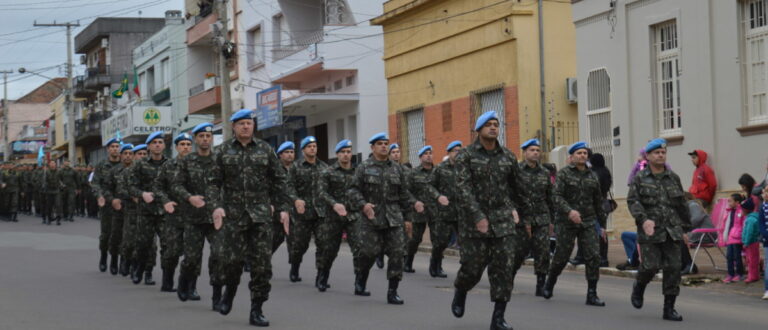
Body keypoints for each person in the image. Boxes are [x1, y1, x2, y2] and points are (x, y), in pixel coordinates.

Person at [207, 109, 297, 326]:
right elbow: (212, 183)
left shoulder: (265, 150)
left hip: (261, 217)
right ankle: (229, 292)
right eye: (241, 124)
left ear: (253, 126)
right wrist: (216, 206)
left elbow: (279, 182)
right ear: (234, 127)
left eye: (249, 123)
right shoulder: (222, 151)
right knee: (231, 262)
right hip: (234, 217)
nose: (246, 127)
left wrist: (283, 208)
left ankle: (256, 308)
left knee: (262, 266)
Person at [450, 111, 525, 330]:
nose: (493, 128)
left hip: (503, 222)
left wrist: (520, 212)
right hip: (474, 225)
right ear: (479, 129)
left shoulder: (508, 157)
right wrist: (478, 216)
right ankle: (461, 289)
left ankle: (498, 318)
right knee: (472, 269)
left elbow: (518, 188)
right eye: (488, 125)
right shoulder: (466, 156)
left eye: (496, 124)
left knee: (503, 270)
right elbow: (462, 188)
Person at [348, 132, 419, 304]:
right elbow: (352, 190)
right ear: (373, 147)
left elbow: (404, 195)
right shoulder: (363, 167)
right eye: (380, 143)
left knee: (397, 254)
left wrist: (408, 219)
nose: (384, 146)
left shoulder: (397, 169)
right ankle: (361, 279)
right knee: (368, 253)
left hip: (394, 219)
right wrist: (363, 204)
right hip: (371, 219)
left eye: (386, 143)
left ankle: (392, 291)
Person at [627, 138, 690, 321]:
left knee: (674, 268)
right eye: (657, 153)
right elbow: (633, 201)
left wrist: (685, 229)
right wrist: (643, 219)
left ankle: (669, 308)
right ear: (648, 156)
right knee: (650, 266)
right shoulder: (640, 178)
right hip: (650, 230)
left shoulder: (673, 177)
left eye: (663, 152)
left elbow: (681, 205)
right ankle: (639, 286)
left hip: (672, 230)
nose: (660, 155)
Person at [542, 141, 606, 307]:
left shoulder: (592, 175)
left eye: (585, 153)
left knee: (593, 256)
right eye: (579, 153)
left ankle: (592, 293)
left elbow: (598, 201)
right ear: (571, 157)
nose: (583, 156)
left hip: (588, 221)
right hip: (566, 222)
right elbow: (556, 197)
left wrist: (603, 225)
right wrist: (569, 211)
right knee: (561, 256)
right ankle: (550, 282)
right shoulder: (564, 174)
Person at [172, 123, 222, 308]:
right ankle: (186, 281)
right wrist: (189, 197)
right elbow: (176, 185)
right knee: (192, 258)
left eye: (208, 136)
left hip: (215, 218)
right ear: (195, 139)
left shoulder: (219, 160)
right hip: (193, 217)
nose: (205, 139)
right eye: (201, 136)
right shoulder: (187, 161)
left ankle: (217, 295)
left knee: (219, 256)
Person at [315, 139, 361, 291]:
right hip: (333, 217)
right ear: (337, 154)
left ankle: (359, 283)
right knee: (329, 250)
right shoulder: (328, 172)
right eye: (343, 152)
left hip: (353, 216)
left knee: (360, 249)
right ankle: (323, 276)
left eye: (348, 152)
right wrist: (334, 204)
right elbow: (321, 192)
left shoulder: (357, 172)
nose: (346, 155)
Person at [512, 138, 554, 296]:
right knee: (518, 252)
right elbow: (510, 194)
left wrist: (552, 220)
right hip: (521, 219)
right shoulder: (516, 171)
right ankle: (508, 280)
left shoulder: (544, 172)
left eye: (537, 150)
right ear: (524, 153)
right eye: (532, 150)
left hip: (541, 218)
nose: (535, 153)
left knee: (542, 252)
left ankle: (540, 285)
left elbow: (550, 197)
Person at [126, 132, 169, 286]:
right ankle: (141, 269)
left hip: (164, 212)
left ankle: (167, 279)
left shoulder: (170, 164)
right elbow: (131, 186)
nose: (158, 145)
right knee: (145, 244)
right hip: (146, 211)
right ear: (149, 146)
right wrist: (142, 194)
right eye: (154, 142)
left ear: (164, 145)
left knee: (168, 245)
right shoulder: (140, 164)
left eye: (160, 142)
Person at [153, 133, 194, 293]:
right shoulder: (168, 166)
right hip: (173, 215)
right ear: (176, 147)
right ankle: (167, 280)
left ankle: (191, 286)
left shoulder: (198, 165)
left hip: (194, 216)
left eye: (188, 144)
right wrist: (165, 201)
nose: (185, 147)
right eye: (182, 144)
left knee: (193, 253)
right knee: (172, 251)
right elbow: (158, 187)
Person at [287, 136, 328, 284]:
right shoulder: (295, 167)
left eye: (314, 146)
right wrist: (296, 199)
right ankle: (295, 268)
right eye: (309, 146)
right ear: (303, 150)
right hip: (302, 213)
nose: (313, 148)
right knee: (299, 245)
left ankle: (321, 276)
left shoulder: (324, 167)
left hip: (321, 212)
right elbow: (289, 187)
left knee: (323, 244)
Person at [405, 145, 447, 276]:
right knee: (415, 239)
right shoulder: (414, 173)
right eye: (425, 154)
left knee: (438, 240)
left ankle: (437, 266)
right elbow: (406, 192)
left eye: (430, 153)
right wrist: (415, 202)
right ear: (420, 157)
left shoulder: (438, 172)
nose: (429, 155)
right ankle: (408, 261)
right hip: (419, 211)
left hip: (436, 211)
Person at [431, 140, 463, 278]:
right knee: (441, 242)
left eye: (460, 151)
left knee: (466, 241)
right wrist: (438, 196)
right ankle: (435, 265)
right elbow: (429, 186)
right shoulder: (440, 168)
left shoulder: (464, 168)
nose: (458, 153)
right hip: (444, 211)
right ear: (449, 153)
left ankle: (466, 270)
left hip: (461, 211)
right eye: (455, 151)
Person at [91, 137, 122, 272]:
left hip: (121, 204)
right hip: (107, 204)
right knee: (106, 234)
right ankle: (103, 256)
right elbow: (95, 183)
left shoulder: (124, 164)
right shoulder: (101, 165)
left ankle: (115, 260)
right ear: (108, 149)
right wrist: (99, 196)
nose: (115, 148)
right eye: (112, 146)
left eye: (117, 146)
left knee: (119, 234)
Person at [103, 144, 135, 275]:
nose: (128, 156)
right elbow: (106, 189)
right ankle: (114, 260)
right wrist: (112, 200)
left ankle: (125, 261)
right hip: (118, 209)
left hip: (133, 209)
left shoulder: (137, 170)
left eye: (130, 153)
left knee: (129, 238)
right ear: (121, 155)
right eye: (125, 153)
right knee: (116, 236)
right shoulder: (114, 171)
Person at [272, 141, 295, 255]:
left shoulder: (297, 169)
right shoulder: (274, 169)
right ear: (280, 154)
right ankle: (254, 259)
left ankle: (294, 270)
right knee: (276, 237)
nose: (290, 154)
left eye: (292, 152)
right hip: (277, 209)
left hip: (293, 210)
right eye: (286, 152)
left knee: (294, 240)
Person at [590, 153, 612, 267]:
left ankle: (598, 257)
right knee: (603, 230)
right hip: (605, 204)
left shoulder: (592, 173)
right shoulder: (606, 172)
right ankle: (604, 257)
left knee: (595, 231)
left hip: (595, 205)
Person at [720, 194, 746, 283]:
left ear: (737, 202)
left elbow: (743, 224)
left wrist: (742, 235)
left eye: (730, 201)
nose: (728, 203)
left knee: (737, 256)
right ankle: (730, 274)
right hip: (730, 237)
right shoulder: (729, 211)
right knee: (729, 256)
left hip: (737, 237)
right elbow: (726, 224)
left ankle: (740, 274)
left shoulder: (741, 211)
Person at [742, 200, 761, 283]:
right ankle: (754, 275)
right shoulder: (754, 218)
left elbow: (749, 232)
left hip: (751, 243)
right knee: (753, 259)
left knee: (751, 260)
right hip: (754, 242)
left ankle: (752, 276)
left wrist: (746, 242)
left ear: (746, 210)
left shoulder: (750, 220)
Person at [42, 160, 64, 226]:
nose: (52, 164)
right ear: (49, 164)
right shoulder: (47, 172)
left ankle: (58, 219)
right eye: (51, 163)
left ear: (55, 164)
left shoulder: (59, 171)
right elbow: (44, 180)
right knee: (49, 206)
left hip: (57, 190)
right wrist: (44, 186)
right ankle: (49, 219)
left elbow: (61, 180)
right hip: (49, 191)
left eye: (53, 163)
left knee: (58, 205)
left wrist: (62, 185)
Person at [756, 186, 768, 299]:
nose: (764, 194)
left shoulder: (762, 207)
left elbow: (761, 225)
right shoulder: (762, 207)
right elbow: (761, 224)